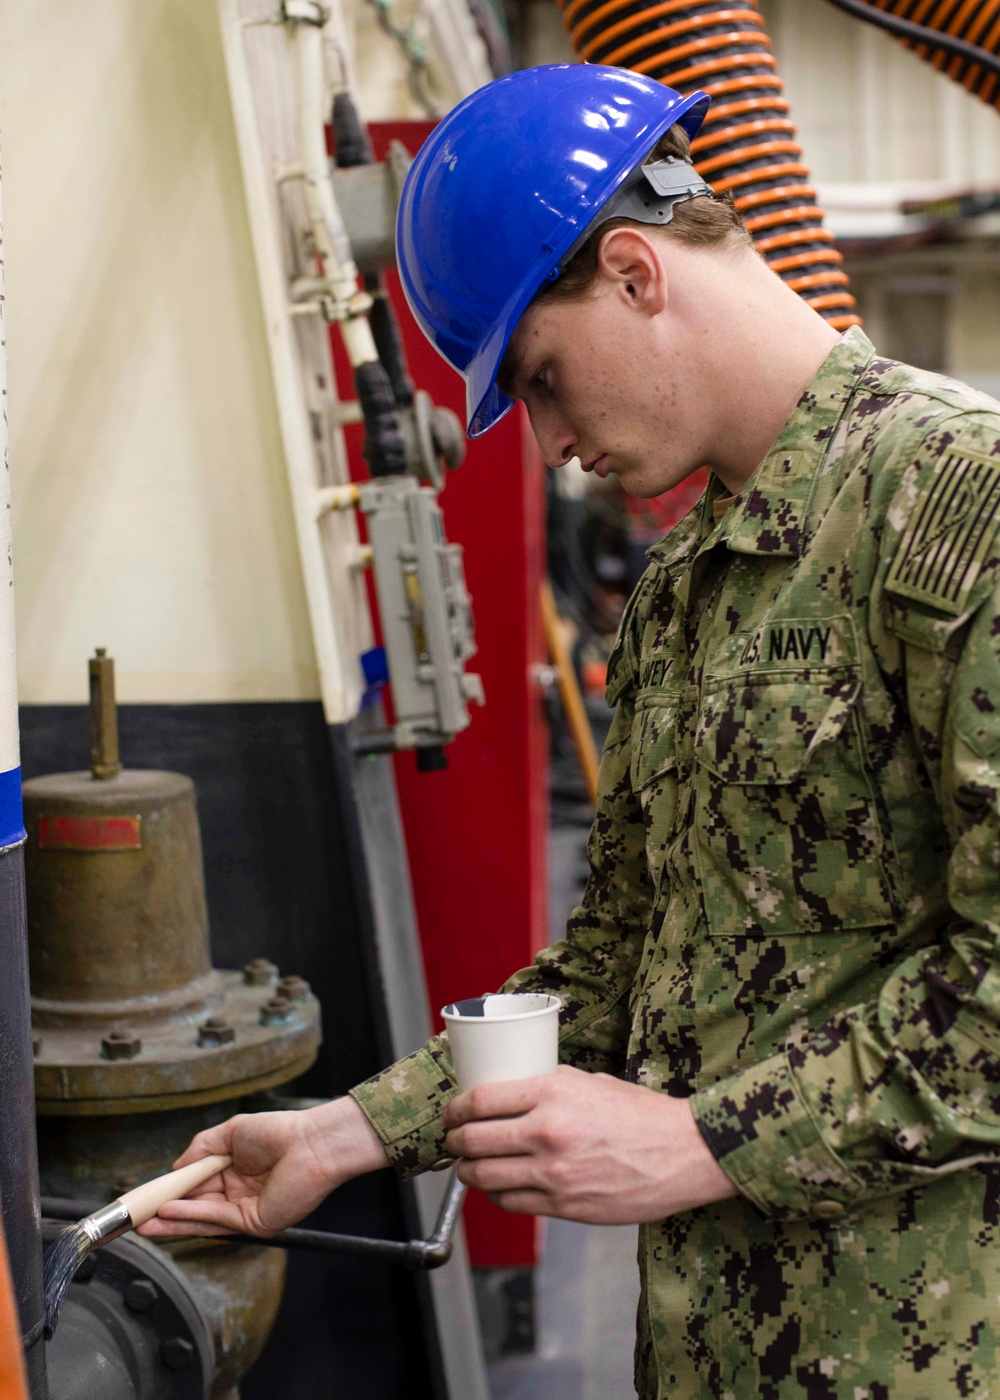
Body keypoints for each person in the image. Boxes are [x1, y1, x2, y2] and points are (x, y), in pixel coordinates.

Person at [140, 64, 1000, 1398]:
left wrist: (704, 1142)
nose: (546, 447)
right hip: (708, 1354)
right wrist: (352, 1131)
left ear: (637, 272)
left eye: (541, 381)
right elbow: (620, 965)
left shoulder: (959, 503)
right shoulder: (678, 589)